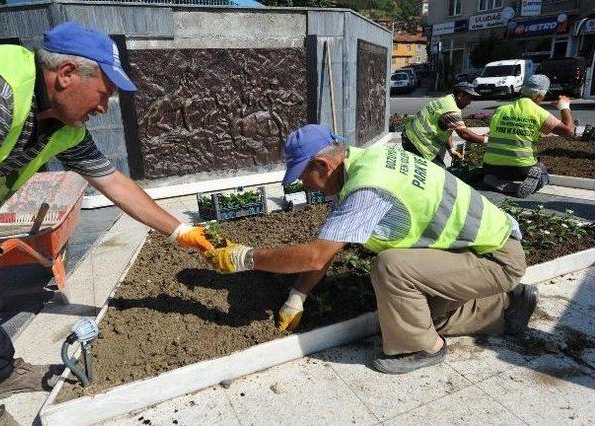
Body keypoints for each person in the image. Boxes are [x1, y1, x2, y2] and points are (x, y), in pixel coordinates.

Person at [0, 22, 213, 425]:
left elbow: (114, 183)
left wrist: (181, 230)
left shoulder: (63, 127)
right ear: (67, 75)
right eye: (104, 94)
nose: (104, 107)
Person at [206, 124, 539, 375]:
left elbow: (316, 255)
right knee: (411, 313)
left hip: (494, 259)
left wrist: (246, 257)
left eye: (303, 177)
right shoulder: (372, 158)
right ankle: (506, 307)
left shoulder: (368, 188)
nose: (304, 186)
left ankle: (425, 349)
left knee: (390, 269)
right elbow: (329, 248)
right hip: (482, 247)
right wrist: (298, 296)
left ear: (322, 165)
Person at [482, 75, 576, 198]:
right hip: (521, 169)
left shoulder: (500, 110)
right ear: (538, 96)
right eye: (544, 95)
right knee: (542, 172)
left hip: (491, 167)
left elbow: (495, 126)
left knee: (497, 170)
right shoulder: (538, 112)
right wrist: (564, 106)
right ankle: (532, 183)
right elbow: (569, 132)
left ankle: (494, 180)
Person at [402, 82, 488, 167]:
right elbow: (464, 134)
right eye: (469, 98)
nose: (469, 102)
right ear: (460, 96)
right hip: (417, 143)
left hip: (410, 137)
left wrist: (452, 151)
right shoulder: (451, 109)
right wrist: (486, 140)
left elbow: (447, 129)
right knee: (441, 175)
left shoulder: (447, 100)